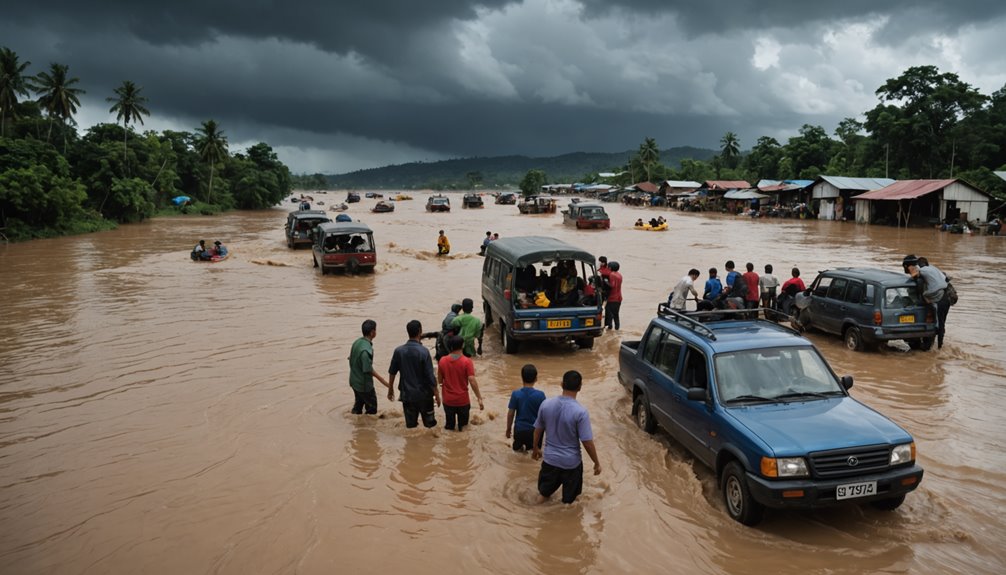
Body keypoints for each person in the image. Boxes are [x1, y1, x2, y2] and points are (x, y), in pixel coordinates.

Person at [532, 370, 601, 504]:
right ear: (580, 387)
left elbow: (537, 430)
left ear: (561, 384)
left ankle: (534, 517)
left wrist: (535, 448)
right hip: (571, 464)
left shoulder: (546, 404)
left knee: (543, 496)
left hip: (550, 460)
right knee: (569, 504)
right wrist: (596, 463)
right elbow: (587, 442)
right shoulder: (581, 412)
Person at [388, 320, 440, 429]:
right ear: (420, 331)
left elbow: (392, 372)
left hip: (407, 395)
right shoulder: (424, 352)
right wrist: (436, 393)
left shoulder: (399, 351)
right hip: (424, 395)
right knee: (430, 426)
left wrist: (390, 389)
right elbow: (430, 376)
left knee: (411, 427)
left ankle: (412, 445)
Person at [437, 335, 483, 431]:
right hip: (462, 400)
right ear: (462, 346)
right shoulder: (467, 362)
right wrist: (479, 397)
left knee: (449, 428)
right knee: (464, 429)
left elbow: (440, 381)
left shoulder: (442, 361)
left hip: (448, 401)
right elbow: (472, 380)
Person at [904, 255, 950, 349]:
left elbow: (914, 275)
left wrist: (912, 269)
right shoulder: (933, 268)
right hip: (946, 297)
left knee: (939, 325)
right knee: (941, 323)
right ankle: (938, 346)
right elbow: (946, 278)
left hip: (939, 299)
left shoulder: (922, 271)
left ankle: (939, 348)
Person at [349, 320, 391, 415]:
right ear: (372, 332)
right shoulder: (366, 350)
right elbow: (368, 369)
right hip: (364, 385)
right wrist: (384, 381)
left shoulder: (357, 342)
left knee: (359, 404)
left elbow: (351, 357)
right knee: (372, 408)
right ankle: (368, 428)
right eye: (375, 330)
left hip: (354, 381)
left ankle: (356, 424)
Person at [507, 364, 547, 452]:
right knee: (534, 455)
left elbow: (511, 414)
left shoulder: (515, 394)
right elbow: (544, 415)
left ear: (522, 377)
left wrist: (508, 429)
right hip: (535, 432)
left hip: (519, 430)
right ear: (536, 378)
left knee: (517, 454)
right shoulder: (541, 395)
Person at [604, 261, 623, 330]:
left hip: (612, 298)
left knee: (609, 314)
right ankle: (617, 329)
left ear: (610, 268)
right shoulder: (619, 275)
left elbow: (612, 285)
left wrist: (606, 281)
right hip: (619, 298)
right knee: (616, 314)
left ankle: (609, 328)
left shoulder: (612, 274)